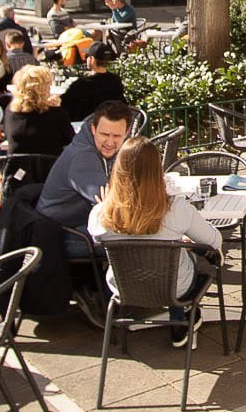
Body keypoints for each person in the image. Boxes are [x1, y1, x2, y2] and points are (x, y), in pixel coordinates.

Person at [89, 136, 221, 347]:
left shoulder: (100, 214)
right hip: (177, 289)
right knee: (191, 256)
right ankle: (183, 314)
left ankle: (181, 317)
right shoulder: (176, 209)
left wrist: (107, 206)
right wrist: (184, 241)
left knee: (178, 255)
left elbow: (96, 237)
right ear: (158, 170)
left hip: (124, 288)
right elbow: (213, 241)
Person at [38, 101, 133, 236]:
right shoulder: (83, 157)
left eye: (117, 136)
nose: (110, 142)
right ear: (93, 129)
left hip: (73, 222)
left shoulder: (97, 147)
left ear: (127, 132)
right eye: (105, 134)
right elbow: (112, 202)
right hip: (62, 232)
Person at [3, 65, 72, 163]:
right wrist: (54, 108)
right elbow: (70, 139)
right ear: (43, 89)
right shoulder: (56, 114)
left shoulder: (10, 111)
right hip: (50, 172)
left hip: (17, 172)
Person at [61, 43, 126, 121]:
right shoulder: (116, 81)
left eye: (87, 56)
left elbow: (64, 104)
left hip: (84, 127)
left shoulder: (82, 84)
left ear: (92, 59)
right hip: (111, 123)